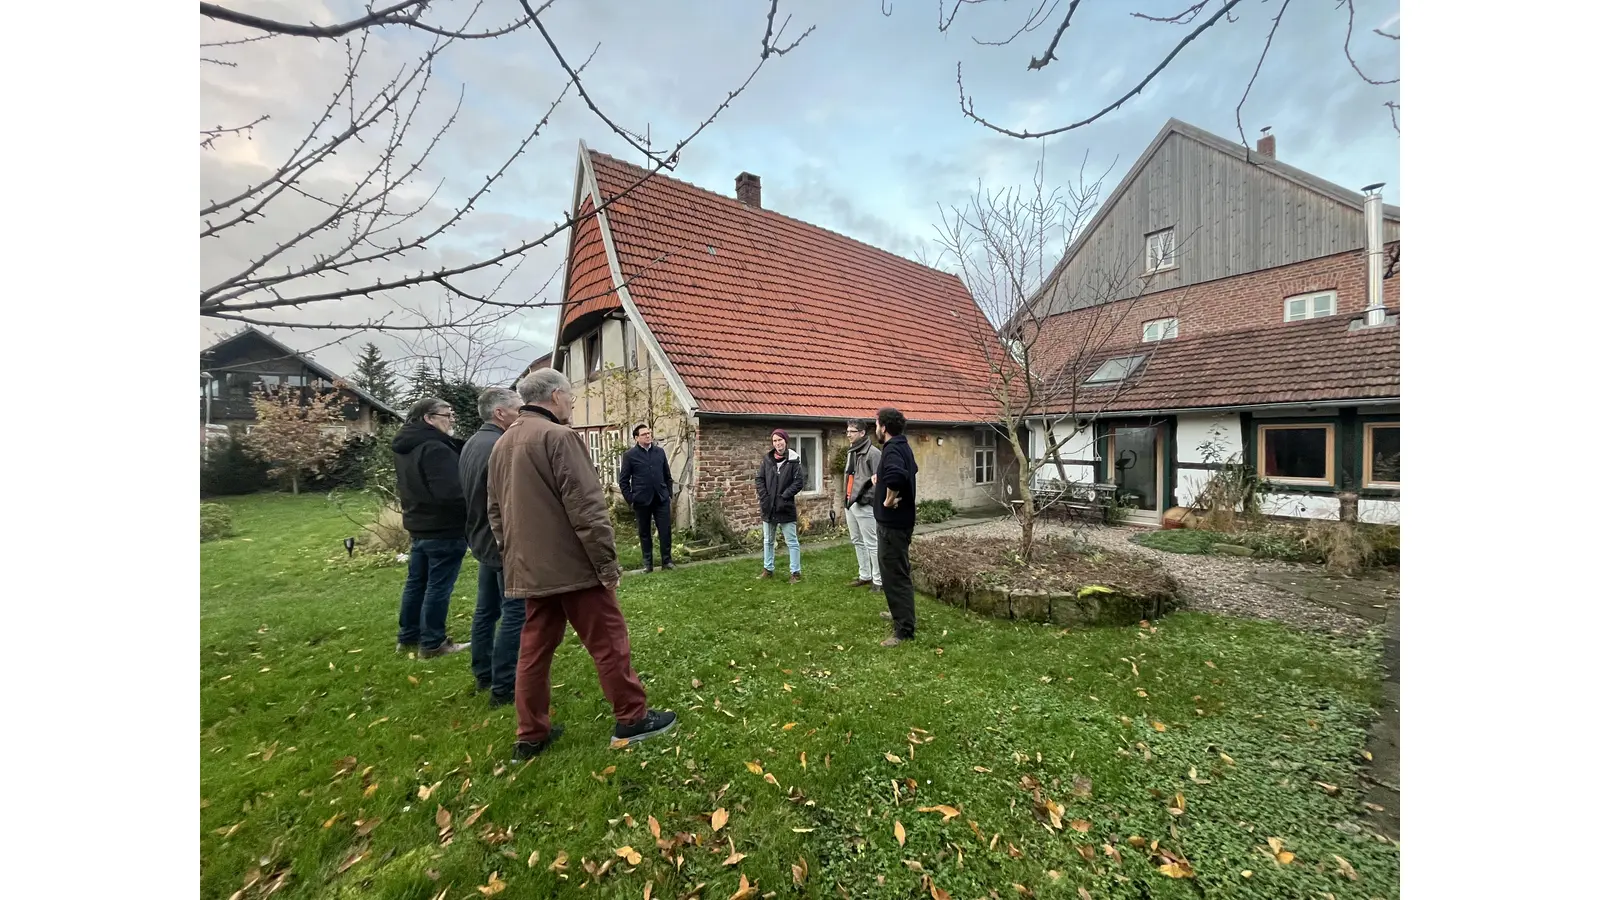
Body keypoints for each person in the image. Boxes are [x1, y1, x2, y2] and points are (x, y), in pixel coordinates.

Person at [487, 368, 677, 759]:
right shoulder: (559, 437)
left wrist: (516, 557)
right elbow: (588, 509)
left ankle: (530, 734)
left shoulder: (503, 443)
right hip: (575, 570)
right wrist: (606, 566)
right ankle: (632, 717)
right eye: (570, 396)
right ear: (555, 396)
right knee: (609, 642)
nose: (573, 403)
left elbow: (495, 514)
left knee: (534, 651)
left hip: (531, 571)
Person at [460, 387, 525, 707]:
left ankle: (483, 672)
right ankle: (504, 685)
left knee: (486, 611)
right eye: (518, 409)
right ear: (500, 412)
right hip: (501, 543)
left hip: (482, 540)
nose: (522, 414)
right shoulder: (500, 445)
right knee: (515, 613)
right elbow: (509, 501)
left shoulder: (472, 443)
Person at [393, 397, 470, 659]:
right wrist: (471, 510)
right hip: (444, 528)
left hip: (418, 524)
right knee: (438, 586)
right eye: (447, 415)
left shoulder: (406, 445)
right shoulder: (435, 448)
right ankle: (434, 642)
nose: (451, 420)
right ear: (429, 418)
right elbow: (451, 493)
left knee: (416, 583)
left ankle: (408, 637)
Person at [873, 407, 919, 647]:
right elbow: (911, 469)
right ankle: (898, 611)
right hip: (900, 523)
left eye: (876, 424)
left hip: (893, 525)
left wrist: (889, 499)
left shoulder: (891, 449)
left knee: (895, 575)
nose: (875, 429)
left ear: (884, 427)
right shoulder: (902, 446)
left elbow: (897, 476)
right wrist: (879, 479)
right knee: (894, 572)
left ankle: (904, 630)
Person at [617, 423, 674, 573]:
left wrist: (668, 494)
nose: (648, 436)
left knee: (665, 530)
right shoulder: (630, 455)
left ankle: (667, 561)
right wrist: (631, 499)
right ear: (636, 438)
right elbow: (623, 480)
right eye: (644, 434)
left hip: (660, 498)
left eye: (649, 433)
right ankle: (647, 564)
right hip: (641, 500)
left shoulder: (659, 452)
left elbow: (667, 476)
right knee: (644, 532)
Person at [755, 428, 805, 583]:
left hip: (785, 507)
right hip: (769, 508)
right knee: (768, 540)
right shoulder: (767, 460)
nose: (778, 444)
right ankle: (768, 569)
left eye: (780, 440)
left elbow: (799, 482)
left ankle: (795, 573)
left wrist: (784, 496)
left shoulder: (794, 461)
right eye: (775, 441)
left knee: (792, 541)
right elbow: (759, 479)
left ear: (786, 441)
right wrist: (765, 497)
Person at [842, 418, 882, 591]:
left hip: (865, 504)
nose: (848, 434)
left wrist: (865, 499)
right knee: (857, 540)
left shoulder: (873, 453)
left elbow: (879, 481)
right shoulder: (852, 451)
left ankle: (878, 581)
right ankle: (864, 575)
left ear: (862, 433)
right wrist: (847, 499)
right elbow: (849, 476)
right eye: (848, 431)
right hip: (850, 503)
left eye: (852, 431)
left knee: (871, 543)